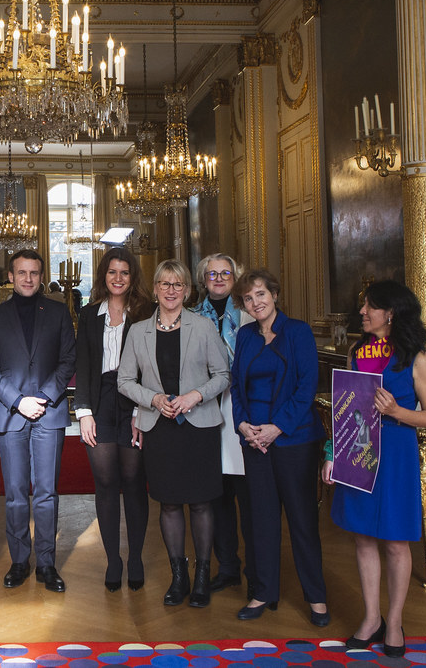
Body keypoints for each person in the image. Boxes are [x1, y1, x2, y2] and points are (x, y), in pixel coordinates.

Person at [323, 280, 426, 657]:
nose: (362, 312)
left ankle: (394, 621)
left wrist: (396, 412)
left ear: (390, 313)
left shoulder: (416, 358)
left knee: (394, 540)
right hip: (358, 447)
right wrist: (332, 453)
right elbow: (344, 407)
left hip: (397, 450)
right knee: (361, 536)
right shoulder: (357, 351)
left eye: (369, 306)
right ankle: (371, 618)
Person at [118, 259, 230, 609]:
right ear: (154, 289)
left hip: (198, 428)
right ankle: (177, 576)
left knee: (200, 502)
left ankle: (201, 577)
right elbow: (124, 381)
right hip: (160, 429)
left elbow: (223, 374)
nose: (170, 290)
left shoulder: (203, 327)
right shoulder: (138, 331)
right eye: (164, 284)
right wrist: (151, 399)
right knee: (168, 504)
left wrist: (194, 396)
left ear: (187, 290)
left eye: (177, 284)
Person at [231, 269, 330, 626]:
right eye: (247, 298)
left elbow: (307, 387)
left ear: (274, 294)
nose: (255, 302)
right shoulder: (244, 336)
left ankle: (316, 598)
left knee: (302, 520)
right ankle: (263, 592)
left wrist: (277, 427)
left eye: (260, 294)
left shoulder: (298, 332)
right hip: (253, 441)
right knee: (261, 520)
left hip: (294, 440)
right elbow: (236, 387)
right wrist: (243, 425)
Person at [0, 249, 76, 593]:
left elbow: (68, 360)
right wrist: (19, 401)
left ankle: (47, 564)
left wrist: (44, 397)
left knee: (47, 494)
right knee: (16, 494)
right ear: (10, 276)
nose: (28, 279)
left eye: (34, 273)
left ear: (40, 276)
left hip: (49, 414)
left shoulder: (57, 311)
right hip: (10, 415)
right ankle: (20, 560)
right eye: (22, 273)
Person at [74, 248, 152, 592]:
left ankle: (134, 557)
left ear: (132, 277)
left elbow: (152, 365)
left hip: (135, 397)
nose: (118, 278)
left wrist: (141, 410)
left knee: (134, 480)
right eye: (112, 272)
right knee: (105, 482)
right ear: (103, 276)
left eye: (124, 272)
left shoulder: (146, 312)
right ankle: (113, 560)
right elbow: (85, 363)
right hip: (101, 397)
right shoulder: (90, 315)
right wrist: (84, 412)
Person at [192, 253, 258, 600]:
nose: (218, 279)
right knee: (215, 499)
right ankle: (227, 567)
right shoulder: (191, 318)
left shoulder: (250, 315)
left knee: (249, 499)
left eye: (225, 273)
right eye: (211, 274)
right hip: (204, 415)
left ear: (236, 278)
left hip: (243, 413)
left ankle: (256, 572)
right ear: (203, 279)